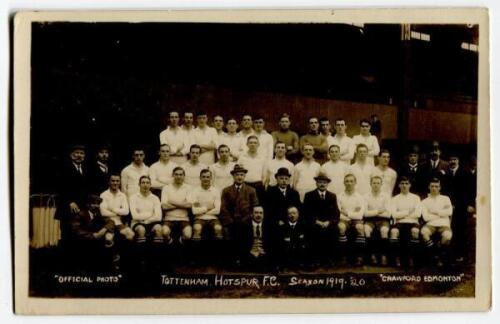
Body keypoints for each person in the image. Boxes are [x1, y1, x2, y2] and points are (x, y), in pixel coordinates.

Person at [220, 164, 259, 264]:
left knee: (245, 236)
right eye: (237, 175)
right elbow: (223, 208)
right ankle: (232, 260)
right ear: (233, 176)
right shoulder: (226, 190)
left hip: (246, 221)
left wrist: (246, 218)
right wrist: (229, 221)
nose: (239, 177)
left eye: (242, 175)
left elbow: (255, 207)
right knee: (231, 236)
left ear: (244, 176)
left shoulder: (251, 190)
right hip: (231, 221)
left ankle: (244, 259)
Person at [69, 194, 118, 270]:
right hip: (83, 245)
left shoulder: (97, 214)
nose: (97, 206)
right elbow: (76, 231)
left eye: (98, 204)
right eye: (94, 203)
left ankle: (111, 265)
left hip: (95, 244)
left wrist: (103, 230)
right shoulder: (80, 214)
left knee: (111, 237)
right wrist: (93, 235)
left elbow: (111, 222)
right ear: (88, 205)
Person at [303, 173, 340, 265]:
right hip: (314, 223)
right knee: (312, 231)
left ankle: (329, 258)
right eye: (320, 182)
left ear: (327, 184)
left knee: (334, 230)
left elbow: (336, 213)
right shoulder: (309, 195)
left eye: (324, 182)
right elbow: (306, 213)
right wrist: (316, 221)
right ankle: (315, 259)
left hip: (328, 223)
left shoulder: (332, 196)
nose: (322, 184)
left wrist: (329, 222)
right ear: (316, 183)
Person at [56, 144, 91, 240]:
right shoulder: (64, 168)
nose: (79, 155)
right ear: (71, 155)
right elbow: (60, 187)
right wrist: (69, 202)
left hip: (82, 207)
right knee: (67, 234)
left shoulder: (86, 169)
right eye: (77, 153)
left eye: (82, 153)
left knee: (80, 235)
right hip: (68, 207)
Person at [442, 152, 469, 263]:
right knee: (449, 229)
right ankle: (449, 255)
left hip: (461, 206)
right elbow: (444, 190)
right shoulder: (446, 173)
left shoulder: (465, 173)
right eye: (451, 159)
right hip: (448, 206)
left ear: (458, 161)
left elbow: (469, 191)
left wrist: (468, 205)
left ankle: (461, 255)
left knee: (460, 230)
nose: (452, 161)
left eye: (455, 159)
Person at [389, 176, 422, 267]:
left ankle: (412, 258)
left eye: (406, 183)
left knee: (415, 232)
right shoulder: (395, 199)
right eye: (402, 183)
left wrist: (402, 214)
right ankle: (397, 258)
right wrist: (408, 212)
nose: (404, 185)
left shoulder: (416, 198)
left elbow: (418, 214)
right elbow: (394, 214)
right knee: (393, 232)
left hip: (413, 222)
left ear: (410, 185)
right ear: (399, 185)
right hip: (399, 223)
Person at [421, 178, 453, 267]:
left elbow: (449, 212)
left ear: (440, 188)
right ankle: (435, 254)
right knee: (424, 232)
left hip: (444, 223)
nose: (434, 188)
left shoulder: (446, 198)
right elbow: (426, 217)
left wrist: (434, 211)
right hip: (431, 224)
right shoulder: (424, 201)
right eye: (432, 186)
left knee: (447, 236)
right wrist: (441, 213)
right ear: (429, 187)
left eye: (436, 186)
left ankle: (437, 252)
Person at [337, 174, 366, 266]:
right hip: (343, 219)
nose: (349, 183)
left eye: (351, 181)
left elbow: (360, 215)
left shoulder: (360, 197)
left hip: (356, 220)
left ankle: (359, 256)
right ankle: (343, 256)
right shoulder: (339, 196)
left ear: (355, 183)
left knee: (360, 227)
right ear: (344, 183)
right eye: (347, 181)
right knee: (341, 227)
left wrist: (347, 213)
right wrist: (351, 215)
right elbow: (338, 213)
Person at [363, 175, 391, 266]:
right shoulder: (366, 196)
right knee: (366, 229)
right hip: (370, 220)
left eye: (378, 183)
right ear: (370, 184)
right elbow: (365, 213)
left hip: (383, 220)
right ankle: (372, 255)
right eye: (374, 183)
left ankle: (384, 256)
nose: (376, 185)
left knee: (384, 230)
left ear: (381, 184)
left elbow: (388, 213)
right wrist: (378, 211)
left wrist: (372, 212)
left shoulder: (386, 196)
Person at [160, 167, 193, 245]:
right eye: (176, 174)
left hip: (184, 218)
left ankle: (180, 241)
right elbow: (164, 206)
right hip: (169, 218)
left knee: (188, 235)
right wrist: (182, 204)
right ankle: (170, 241)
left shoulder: (188, 188)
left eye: (181, 174)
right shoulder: (166, 188)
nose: (178, 176)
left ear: (184, 176)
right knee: (164, 232)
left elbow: (189, 205)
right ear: (173, 175)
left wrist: (172, 202)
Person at [189, 169, 223, 241]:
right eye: (203, 177)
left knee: (218, 228)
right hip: (199, 218)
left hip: (213, 217)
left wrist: (201, 209)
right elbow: (194, 211)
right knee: (197, 228)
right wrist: (208, 208)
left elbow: (217, 210)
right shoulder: (195, 191)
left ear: (211, 178)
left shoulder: (216, 191)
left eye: (208, 177)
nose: (205, 179)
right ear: (200, 178)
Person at [99, 174, 135, 241]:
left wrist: (112, 209)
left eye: (117, 181)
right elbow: (103, 212)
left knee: (130, 234)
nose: (115, 183)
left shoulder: (122, 195)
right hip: (107, 223)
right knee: (108, 238)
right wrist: (118, 213)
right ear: (109, 182)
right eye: (113, 181)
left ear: (120, 182)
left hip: (119, 222)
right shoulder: (103, 195)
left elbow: (126, 211)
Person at [129, 176, 163, 244]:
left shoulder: (155, 198)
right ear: (139, 184)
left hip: (152, 222)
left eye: (147, 183)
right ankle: (142, 252)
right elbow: (135, 216)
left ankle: (158, 253)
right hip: (137, 223)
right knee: (141, 230)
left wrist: (147, 220)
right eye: (143, 183)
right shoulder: (133, 197)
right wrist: (151, 215)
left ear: (150, 185)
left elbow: (159, 217)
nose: (145, 185)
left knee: (158, 228)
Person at [240, 205, 274, 270]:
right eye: (256, 212)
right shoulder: (244, 227)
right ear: (252, 214)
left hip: (265, 258)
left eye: (261, 213)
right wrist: (249, 252)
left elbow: (272, 245)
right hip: (249, 257)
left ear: (263, 215)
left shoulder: (270, 227)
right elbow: (241, 245)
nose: (259, 215)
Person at [237, 135, 267, 203]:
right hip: (245, 185)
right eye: (250, 143)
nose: (253, 145)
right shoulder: (242, 157)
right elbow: (238, 172)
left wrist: (262, 185)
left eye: (255, 143)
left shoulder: (262, 158)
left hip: (258, 186)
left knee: (257, 206)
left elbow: (264, 174)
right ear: (247, 144)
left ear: (258, 145)